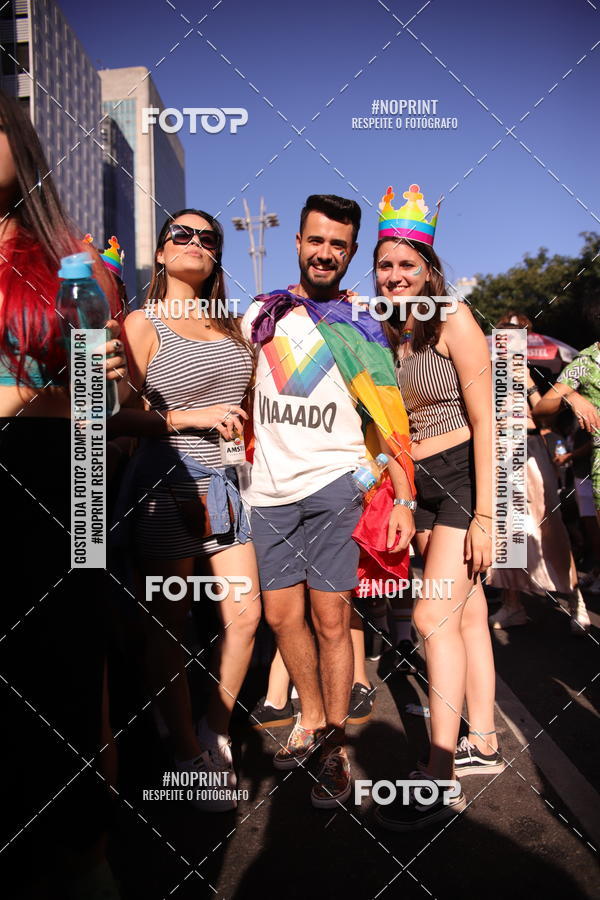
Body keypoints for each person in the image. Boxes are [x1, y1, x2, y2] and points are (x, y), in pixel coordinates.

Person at [241, 194, 415, 808]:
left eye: (339, 245)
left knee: (332, 621)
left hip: (337, 486)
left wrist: (403, 495)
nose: (326, 252)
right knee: (282, 619)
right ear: (297, 240)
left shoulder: (362, 320)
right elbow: (236, 388)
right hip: (268, 493)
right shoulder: (261, 314)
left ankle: (335, 748)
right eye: (317, 240)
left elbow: (390, 416)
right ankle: (311, 717)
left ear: (351, 252)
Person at [0, 90, 127, 897]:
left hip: (55, 496)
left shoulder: (71, 264)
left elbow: (97, 402)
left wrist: (30, 395)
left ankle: (87, 859)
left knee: (64, 693)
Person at [111, 210, 261, 810]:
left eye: (208, 238)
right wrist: (186, 418)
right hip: (164, 479)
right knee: (168, 624)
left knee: (244, 615)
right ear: (163, 251)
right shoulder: (141, 322)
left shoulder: (229, 327)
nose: (196, 243)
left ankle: (214, 728)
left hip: (225, 484)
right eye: (183, 234)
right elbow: (106, 415)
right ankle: (185, 756)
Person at [370, 183, 501, 831]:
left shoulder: (455, 319)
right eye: (385, 264)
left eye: (407, 264)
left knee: (429, 613)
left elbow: (489, 419)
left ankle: (440, 771)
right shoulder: (388, 329)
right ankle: (485, 741)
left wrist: (487, 516)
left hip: (461, 481)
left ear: (429, 267)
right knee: (466, 611)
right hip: (418, 482)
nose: (395, 276)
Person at [486, 348, 590, 635]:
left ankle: (575, 600)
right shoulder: (485, 378)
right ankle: (513, 604)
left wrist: (528, 383)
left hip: (530, 453)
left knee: (549, 527)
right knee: (507, 533)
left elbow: (546, 420)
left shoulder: (529, 377)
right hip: (500, 455)